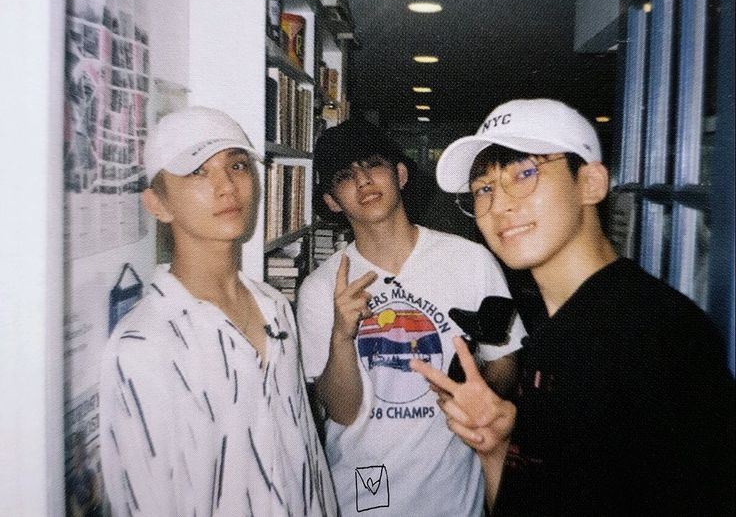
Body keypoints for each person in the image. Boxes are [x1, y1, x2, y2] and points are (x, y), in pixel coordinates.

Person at [412, 98, 735, 515]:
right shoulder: (555, 332)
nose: (498, 206)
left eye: (525, 173)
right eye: (484, 189)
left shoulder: (654, 333)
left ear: (591, 184)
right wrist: (494, 450)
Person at [99, 106, 337, 516]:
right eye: (197, 172)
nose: (226, 186)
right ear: (157, 204)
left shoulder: (275, 307)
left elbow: (308, 457)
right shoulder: (144, 345)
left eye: (238, 165)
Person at [296, 119, 526, 516]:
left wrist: (473, 390)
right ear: (332, 200)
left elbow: (504, 363)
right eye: (344, 175)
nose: (364, 180)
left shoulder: (471, 261)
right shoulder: (320, 289)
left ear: (400, 174)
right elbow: (343, 412)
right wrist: (340, 335)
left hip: (452, 491)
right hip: (363, 493)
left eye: (373, 164)